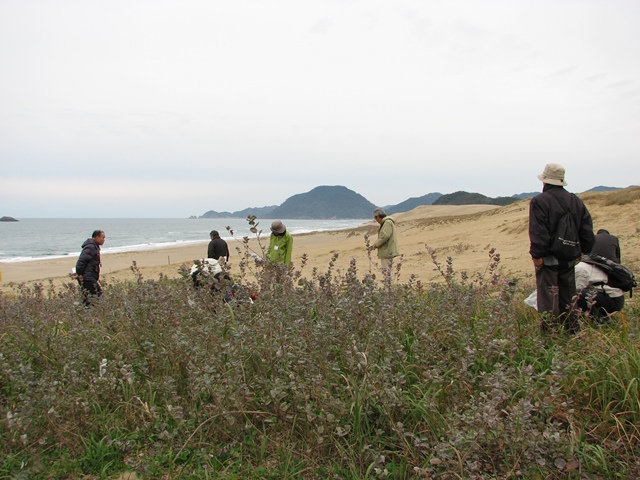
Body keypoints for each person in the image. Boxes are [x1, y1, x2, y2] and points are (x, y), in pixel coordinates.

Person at [529, 163, 595, 333]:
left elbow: (538, 231)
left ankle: (550, 334)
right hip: (570, 256)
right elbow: (586, 229)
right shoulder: (575, 200)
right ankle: (572, 331)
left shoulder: (539, 201)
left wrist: (537, 255)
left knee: (548, 297)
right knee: (568, 296)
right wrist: (584, 250)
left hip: (549, 257)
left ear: (545, 181)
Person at [575, 259, 624, 324]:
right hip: (617, 298)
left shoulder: (580, 268)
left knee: (578, 294)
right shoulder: (589, 262)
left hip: (612, 301)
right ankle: (598, 315)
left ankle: (600, 319)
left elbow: (577, 291)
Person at [75, 230, 106, 306]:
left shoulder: (94, 246)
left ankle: (83, 311)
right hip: (87, 277)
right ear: (97, 237)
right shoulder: (91, 247)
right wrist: (78, 274)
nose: (104, 240)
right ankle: (84, 311)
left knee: (90, 297)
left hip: (90, 276)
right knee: (96, 295)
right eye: (103, 237)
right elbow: (82, 261)